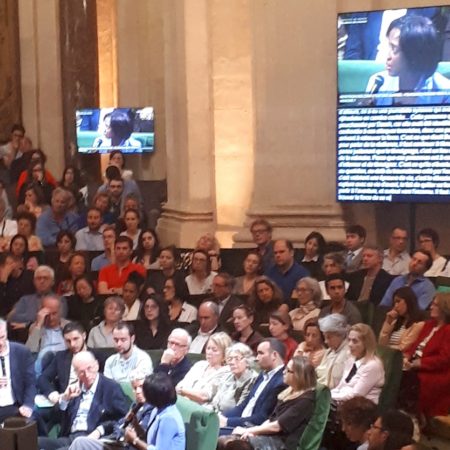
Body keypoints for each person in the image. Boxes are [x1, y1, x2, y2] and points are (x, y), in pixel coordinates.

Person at [37, 351, 130, 450]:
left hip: (92, 439)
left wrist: (100, 430)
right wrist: (65, 399)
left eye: (89, 368)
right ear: (76, 373)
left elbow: (123, 419)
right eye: (81, 372)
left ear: (97, 365)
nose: (87, 375)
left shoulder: (111, 388)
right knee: (32, 442)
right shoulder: (74, 388)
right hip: (70, 437)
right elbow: (56, 418)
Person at [225, 357, 316, 450]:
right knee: (225, 440)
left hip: (282, 443)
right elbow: (271, 419)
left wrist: (249, 430)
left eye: (288, 370)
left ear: (299, 375)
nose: (284, 372)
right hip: (270, 436)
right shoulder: (288, 392)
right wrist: (254, 432)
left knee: (234, 445)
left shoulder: (305, 401)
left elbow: (277, 426)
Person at [366, 15, 450, 106]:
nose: (388, 56)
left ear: (414, 53)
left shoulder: (445, 92)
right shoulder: (378, 82)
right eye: (389, 47)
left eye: (394, 48)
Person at [68, 369, 154, 450]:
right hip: (113, 440)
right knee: (79, 442)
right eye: (135, 388)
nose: (138, 391)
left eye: (141, 387)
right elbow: (119, 424)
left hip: (125, 446)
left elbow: (141, 434)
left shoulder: (151, 408)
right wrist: (102, 430)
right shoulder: (135, 405)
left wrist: (129, 427)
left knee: (80, 442)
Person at [400, 293, 450, 419]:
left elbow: (444, 359)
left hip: (435, 372)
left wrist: (420, 363)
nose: (431, 307)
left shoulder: (448, 330)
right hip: (414, 365)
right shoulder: (428, 325)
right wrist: (407, 357)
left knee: (405, 379)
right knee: (394, 372)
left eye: (435, 305)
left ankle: (411, 416)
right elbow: (415, 346)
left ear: (444, 309)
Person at [219, 338, 286, 432]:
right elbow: (244, 405)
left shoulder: (281, 381)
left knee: (208, 433)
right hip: (240, 424)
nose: (257, 358)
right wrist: (221, 418)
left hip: (252, 430)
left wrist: (228, 422)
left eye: (261, 353)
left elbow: (262, 418)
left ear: (274, 355)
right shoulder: (262, 375)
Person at [123, 372, 186, 450]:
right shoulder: (157, 409)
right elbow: (150, 439)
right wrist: (135, 424)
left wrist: (134, 440)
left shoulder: (168, 418)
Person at [331, 323, 385, 404]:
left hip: (360, 407)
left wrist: (329, 396)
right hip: (341, 402)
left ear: (366, 343)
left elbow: (355, 396)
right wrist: (327, 394)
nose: (350, 344)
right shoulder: (351, 358)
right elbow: (341, 387)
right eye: (349, 340)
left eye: (355, 341)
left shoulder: (373, 365)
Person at [37, 322, 89, 405]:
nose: (72, 344)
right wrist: (52, 393)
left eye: (75, 339)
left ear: (84, 336)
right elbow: (43, 378)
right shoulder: (61, 357)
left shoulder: (97, 356)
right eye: (68, 341)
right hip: (66, 402)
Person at [177, 332, 231, 405]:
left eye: (214, 350)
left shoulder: (226, 372)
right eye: (208, 348)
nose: (209, 352)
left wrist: (181, 391)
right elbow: (181, 384)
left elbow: (203, 397)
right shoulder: (200, 364)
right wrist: (183, 391)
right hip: (182, 402)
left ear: (225, 354)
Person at [0, 318, 35, 423]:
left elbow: (30, 383)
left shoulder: (22, 352)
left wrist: (27, 405)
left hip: (16, 405)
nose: (0, 343)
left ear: (6, 333)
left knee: (33, 421)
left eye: (2, 337)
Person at [208, 342, 258, 413]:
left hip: (229, 418)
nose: (232, 362)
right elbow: (214, 402)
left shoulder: (252, 380)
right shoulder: (227, 376)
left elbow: (240, 410)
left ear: (247, 361)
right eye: (230, 359)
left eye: (237, 359)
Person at [25, 295, 68, 375]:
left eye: (54, 313)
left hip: (64, 366)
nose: (51, 318)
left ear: (60, 312)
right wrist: (38, 325)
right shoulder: (35, 327)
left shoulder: (68, 326)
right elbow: (29, 352)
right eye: (47, 315)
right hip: (42, 368)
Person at [8, 265, 59, 331]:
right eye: (39, 278)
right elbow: (12, 317)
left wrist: (27, 325)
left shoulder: (59, 300)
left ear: (53, 282)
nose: (42, 281)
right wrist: (37, 319)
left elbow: (54, 321)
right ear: (34, 282)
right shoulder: (25, 299)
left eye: (46, 278)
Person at [378, 286, 424, 351]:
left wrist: (386, 348)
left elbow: (403, 347)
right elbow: (381, 344)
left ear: (408, 301)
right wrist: (388, 322)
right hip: (387, 354)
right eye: (394, 303)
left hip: (398, 355)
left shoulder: (418, 324)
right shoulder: (395, 321)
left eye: (398, 301)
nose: (396, 306)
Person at [316, 314, 350, 389]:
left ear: (340, 335)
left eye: (329, 337)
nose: (325, 341)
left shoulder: (347, 354)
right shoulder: (330, 351)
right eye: (324, 337)